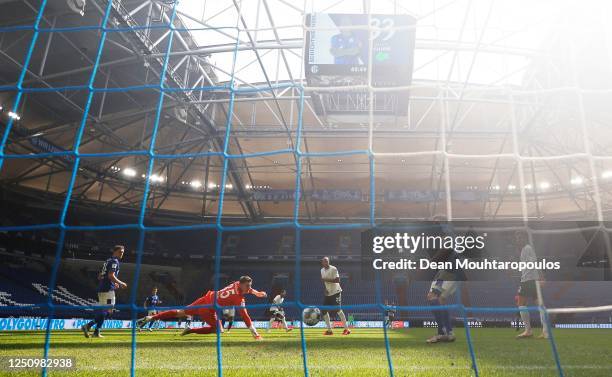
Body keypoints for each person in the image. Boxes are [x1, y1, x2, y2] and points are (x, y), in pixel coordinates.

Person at [137, 276, 266, 340]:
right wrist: (256, 334)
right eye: (248, 286)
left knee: (180, 312)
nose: (249, 288)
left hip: (204, 299)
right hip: (208, 309)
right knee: (219, 330)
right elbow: (245, 316)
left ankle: (151, 317)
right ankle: (191, 330)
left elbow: (246, 289)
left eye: (250, 286)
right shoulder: (238, 299)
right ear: (242, 284)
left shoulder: (237, 283)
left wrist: (256, 292)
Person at [81, 245, 127, 338]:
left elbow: (100, 276)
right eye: (120, 252)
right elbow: (110, 275)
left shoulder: (108, 260)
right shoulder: (114, 261)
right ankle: (88, 326)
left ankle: (96, 332)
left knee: (105, 310)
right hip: (107, 289)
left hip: (103, 288)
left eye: (123, 252)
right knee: (108, 310)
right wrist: (121, 283)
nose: (122, 254)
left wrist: (114, 283)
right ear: (114, 251)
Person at [514, 231, 548, 339]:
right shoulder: (524, 249)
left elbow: (535, 262)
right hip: (531, 280)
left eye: (520, 237)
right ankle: (545, 332)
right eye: (517, 238)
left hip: (528, 280)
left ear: (525, 238)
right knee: (540, 305)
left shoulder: (527, 248)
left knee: (521, 303)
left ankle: (528, 331)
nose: (518, 239)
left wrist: (542, 277)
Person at [320, 257, 350, 335]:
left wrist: (326, 280)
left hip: (336, 292)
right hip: (328, 293)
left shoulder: (333, 269)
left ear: (329, 262)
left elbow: (338, 280)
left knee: (338, 310)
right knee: (323, 311)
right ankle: (329, 330)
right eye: (324, 261)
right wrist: (326, 289)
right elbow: (325, 283)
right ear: (322, 263)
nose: (325, 262)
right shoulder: (322, 270)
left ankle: (347, 329)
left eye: (327, 261)